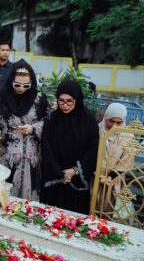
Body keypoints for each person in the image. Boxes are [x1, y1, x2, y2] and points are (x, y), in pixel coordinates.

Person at [0, 59, 50, 201]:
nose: (21, 89)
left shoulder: (39, 99)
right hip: (9, 158)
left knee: (29, 205)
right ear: (10, 80)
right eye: (17, 84)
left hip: (33, 160)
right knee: (6, 200)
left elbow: (48, 122)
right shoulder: (0, 98)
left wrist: (33, 128)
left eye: (26, 85)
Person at [40, 80, 99, 214]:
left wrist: (74, 170)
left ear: (77, 99)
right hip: (56, 178)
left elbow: (93, 149)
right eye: (61, 101)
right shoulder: (52, 119)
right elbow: (46, 148)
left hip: (77, 179)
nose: (65, 105)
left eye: (69, 101)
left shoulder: (89, 121)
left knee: (73, 221)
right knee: (52, 217)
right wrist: (59, 174)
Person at [96, 103, 134, 214]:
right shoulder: (97, 130)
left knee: (107, 209)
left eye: (119, 122)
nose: (114, 126)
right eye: (111, 121)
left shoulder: (128, 136)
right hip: (94, 176)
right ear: (105, 117)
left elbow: (127, 161)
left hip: (113, 180)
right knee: (90, 207)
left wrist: (110, 176)